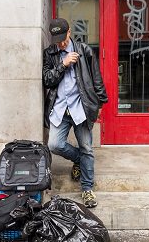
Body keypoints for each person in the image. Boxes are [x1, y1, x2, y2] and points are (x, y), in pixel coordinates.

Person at [42, 18, 108, 208]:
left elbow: (96, 77)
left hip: (81, 107)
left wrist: (100, 102)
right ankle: (79, 159)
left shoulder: (85, 50)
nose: (61, 43)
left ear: (69, 32)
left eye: (63, 38)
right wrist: (62, 64)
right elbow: (47, 80)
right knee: (54, 144)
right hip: (60, 108)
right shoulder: (50, 53)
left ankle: (87, 189)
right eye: (57, 40)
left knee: (87, 147)